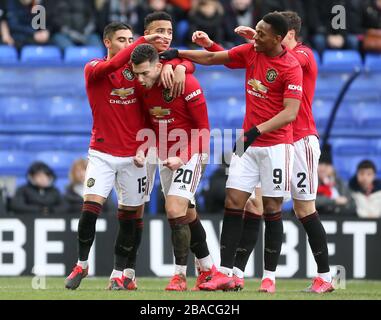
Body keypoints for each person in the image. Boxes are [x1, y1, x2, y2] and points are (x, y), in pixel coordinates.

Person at [161, 12, 303, 292]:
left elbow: (291, 112)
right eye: (256, 30)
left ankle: (269, 278)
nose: (254, 36)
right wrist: (178, 53)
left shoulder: (290, 66)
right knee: (233, 201)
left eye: (261, 33)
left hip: (275, 145)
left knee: (272, 209)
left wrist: (256, 131)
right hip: (247, 143)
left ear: (276, 38)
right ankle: (225, 273)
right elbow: (216, 58)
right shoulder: (253, 52)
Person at [195, 11, 334, 293]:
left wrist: (260, 44)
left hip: (300, 140)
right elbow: (238, 60)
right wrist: (243, 45)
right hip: (271, 141)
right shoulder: (267, 51)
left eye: (266, 32)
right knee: (252, 205)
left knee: (304, 209)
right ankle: (235, 272)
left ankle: (325, 277)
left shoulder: (304, 55)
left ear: (288, 35)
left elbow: (285, 61)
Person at [64, 22, 166, 291]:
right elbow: (112, 66)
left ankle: (118, 273)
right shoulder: (95, 69)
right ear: (107, 42)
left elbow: (151, 109)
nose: (127, 43)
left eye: (131, 39)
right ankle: (82, 264)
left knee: (129, 216)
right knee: (90, 209)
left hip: (134, 157)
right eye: (122, 39)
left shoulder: (139, 74)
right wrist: (143, 39)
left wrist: (179, 67)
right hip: (102, 153)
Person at [141, 11, 217, 291]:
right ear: (146, 33)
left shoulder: (185, 78)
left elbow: (204, 130)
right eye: (158, 31)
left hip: (190, 152)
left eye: (169, 31)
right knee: (186, 213)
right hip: (166, 154)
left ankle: (179, 276)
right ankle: (209, 269)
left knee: (174, 209)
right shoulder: (143, 77)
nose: (166, 36)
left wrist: (184, 65)